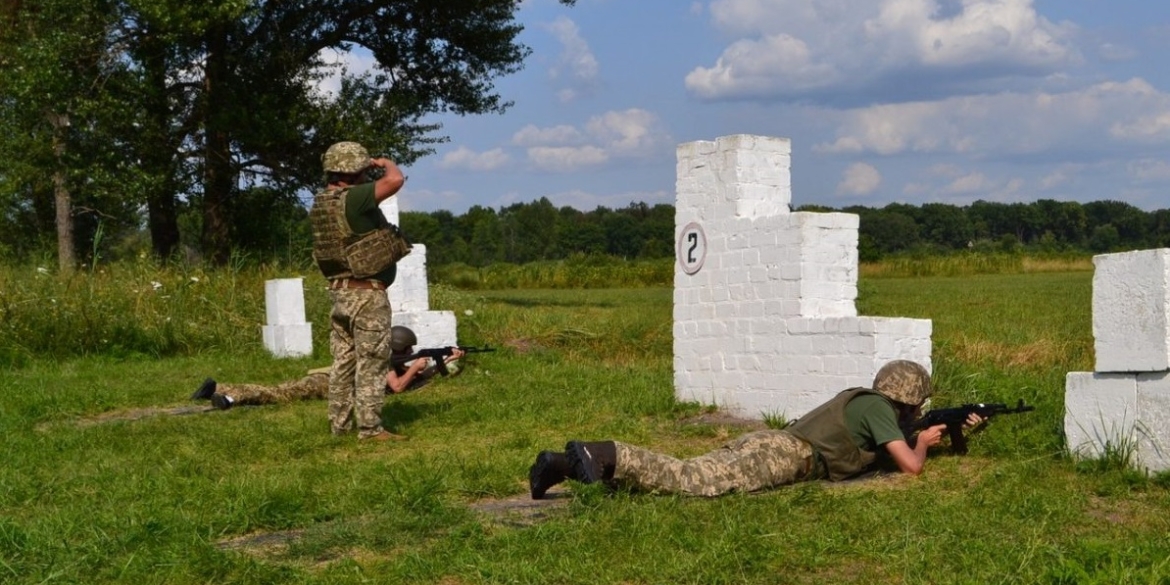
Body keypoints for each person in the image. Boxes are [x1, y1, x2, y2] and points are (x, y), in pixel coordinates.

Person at [527, 360, 984, 499]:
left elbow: (882, 448)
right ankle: (603, 454)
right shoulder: (881, 411)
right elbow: (909, 467)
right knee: (695, 483)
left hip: (772, 443)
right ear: (909, 400)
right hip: (784, 456)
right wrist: (922, 444)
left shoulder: (866, 403)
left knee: (688, 472)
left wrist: (955, 430)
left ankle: (564, 465)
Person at [311, 141, 407, 441]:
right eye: (364, 170)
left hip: (340, 293)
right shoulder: (355, 198)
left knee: (343, 363)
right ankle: (370, 429)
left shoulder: (323, 202)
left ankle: (338, 427)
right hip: (366, 296)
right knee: (372, 361)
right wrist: (385, 162)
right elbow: (395, 180)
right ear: (354, 171)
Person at [190, 326, 466, 409]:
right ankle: (229, 396)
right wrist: (415, 366)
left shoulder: (390, 359)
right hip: (327, 381)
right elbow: (397, 386)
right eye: (407, 351)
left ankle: (218, 391)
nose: (410, 354)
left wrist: (446, 360)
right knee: (280, 393)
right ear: (398, 348)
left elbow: (414, 378)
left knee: (281, 391)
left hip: (334, 381)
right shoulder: (381, 360)